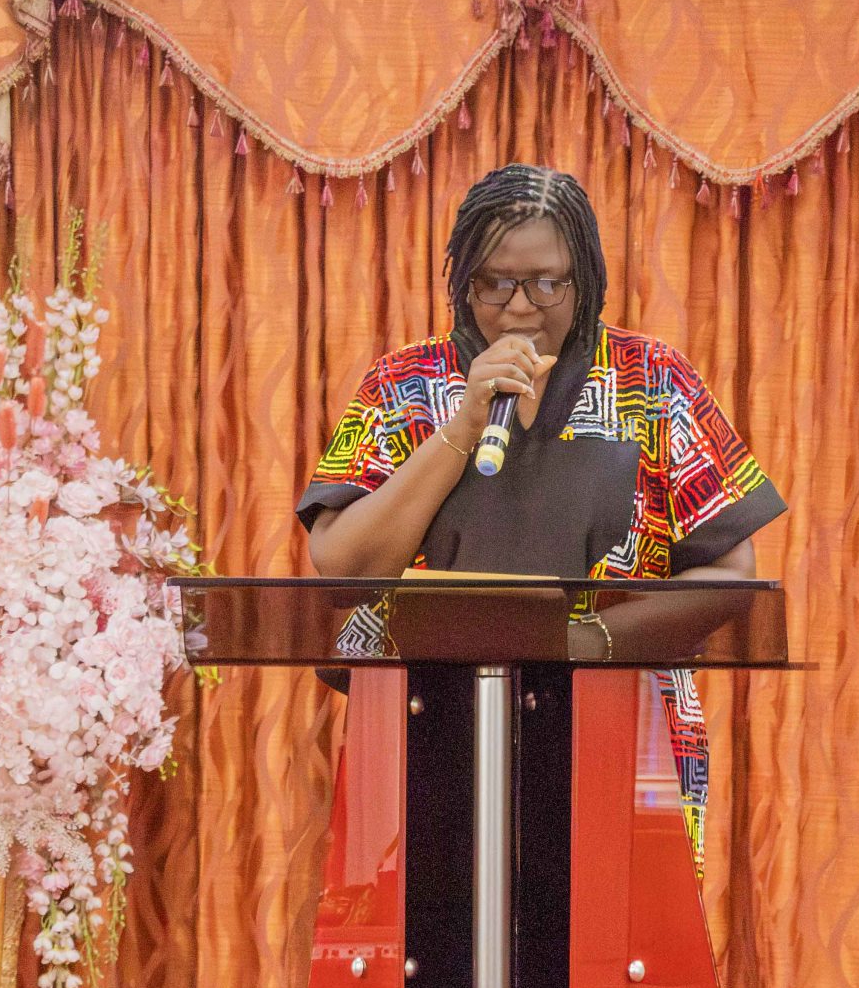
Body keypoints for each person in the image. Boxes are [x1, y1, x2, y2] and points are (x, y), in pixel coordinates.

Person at [297, 163, 785, 855]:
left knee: (612, 922)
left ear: (585, 280)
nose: (520, 307)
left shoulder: (654, 381)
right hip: (427, 728)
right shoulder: (403, 384)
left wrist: (584, 645)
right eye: (494, 283)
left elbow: (732, 575)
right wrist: (461, 428)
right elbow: (341, 565)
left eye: (547, 282)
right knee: (434, 920)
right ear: (463, 283)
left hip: (624, 732)